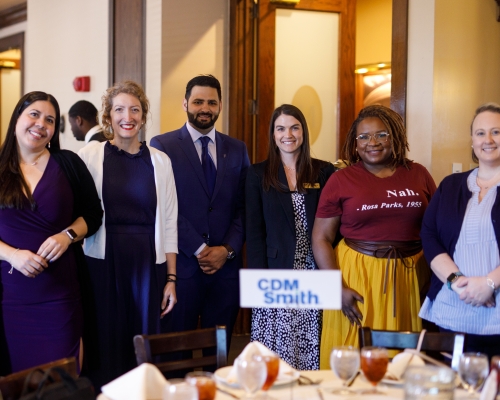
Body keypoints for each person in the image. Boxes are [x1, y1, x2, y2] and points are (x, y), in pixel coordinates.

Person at [312, 105, 436, 369]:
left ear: (395, 137)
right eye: (364, 137)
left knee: (403, 361)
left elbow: (436, 229)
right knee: (353, 357)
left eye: (382, 135)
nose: (373, 143)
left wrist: (434, 279)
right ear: (355, 144)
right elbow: (321, 237)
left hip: (411, 278)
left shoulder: (419, 174)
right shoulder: (341, 180)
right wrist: (336, 287)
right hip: (357, 277)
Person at [78, 81, 178, 388]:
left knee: (143, 343)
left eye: (135, 109)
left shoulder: (160, 161)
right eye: (119, 109)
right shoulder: (89, 156)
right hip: (102, 261)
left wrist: (172, 279)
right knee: (105, 339)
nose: (128, 116)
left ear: (143, 116)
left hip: (148, 264)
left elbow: (170, 221)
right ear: (108, 116)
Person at [0, 91, 102, 374]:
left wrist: (66, 235)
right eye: (34, 114)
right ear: (17, 118)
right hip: (12, 296)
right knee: (20, 382)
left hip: (60, 293)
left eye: (50, 120)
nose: (41, 124)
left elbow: (94, 215)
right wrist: (12, 255)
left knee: (63, 379)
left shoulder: (68, 163)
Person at [150, 74, 250, 349]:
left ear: (220, 106)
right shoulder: (162, 146)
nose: (204, 108)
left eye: (211, 102)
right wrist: (198, 248)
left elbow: (244, 207)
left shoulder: (238, 149)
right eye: (197, 101)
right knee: (174, 355)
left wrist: (227, 249)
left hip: (225, 272)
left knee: (217, 355)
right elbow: (163, 205)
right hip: (181, 268)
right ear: (185, 103)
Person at [246, 104, 336, 370]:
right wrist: (258, 283)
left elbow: (334, 226)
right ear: (273, 134)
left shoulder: (324, 172)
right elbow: (254, 233)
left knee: (311, 347)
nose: (288, 134)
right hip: (276, 276)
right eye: (281, 128)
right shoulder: (257, 174)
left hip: (314, 273)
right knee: (277, 353)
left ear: (303, 132)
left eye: (294, 127)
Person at [419, 103, 500, 359]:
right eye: (480, 133)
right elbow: (429, 236)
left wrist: (489, 284)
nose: (488, 139)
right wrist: (458, 284)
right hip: (453, 310)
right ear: (472, 141)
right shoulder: (450, 185)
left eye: (496, 132)